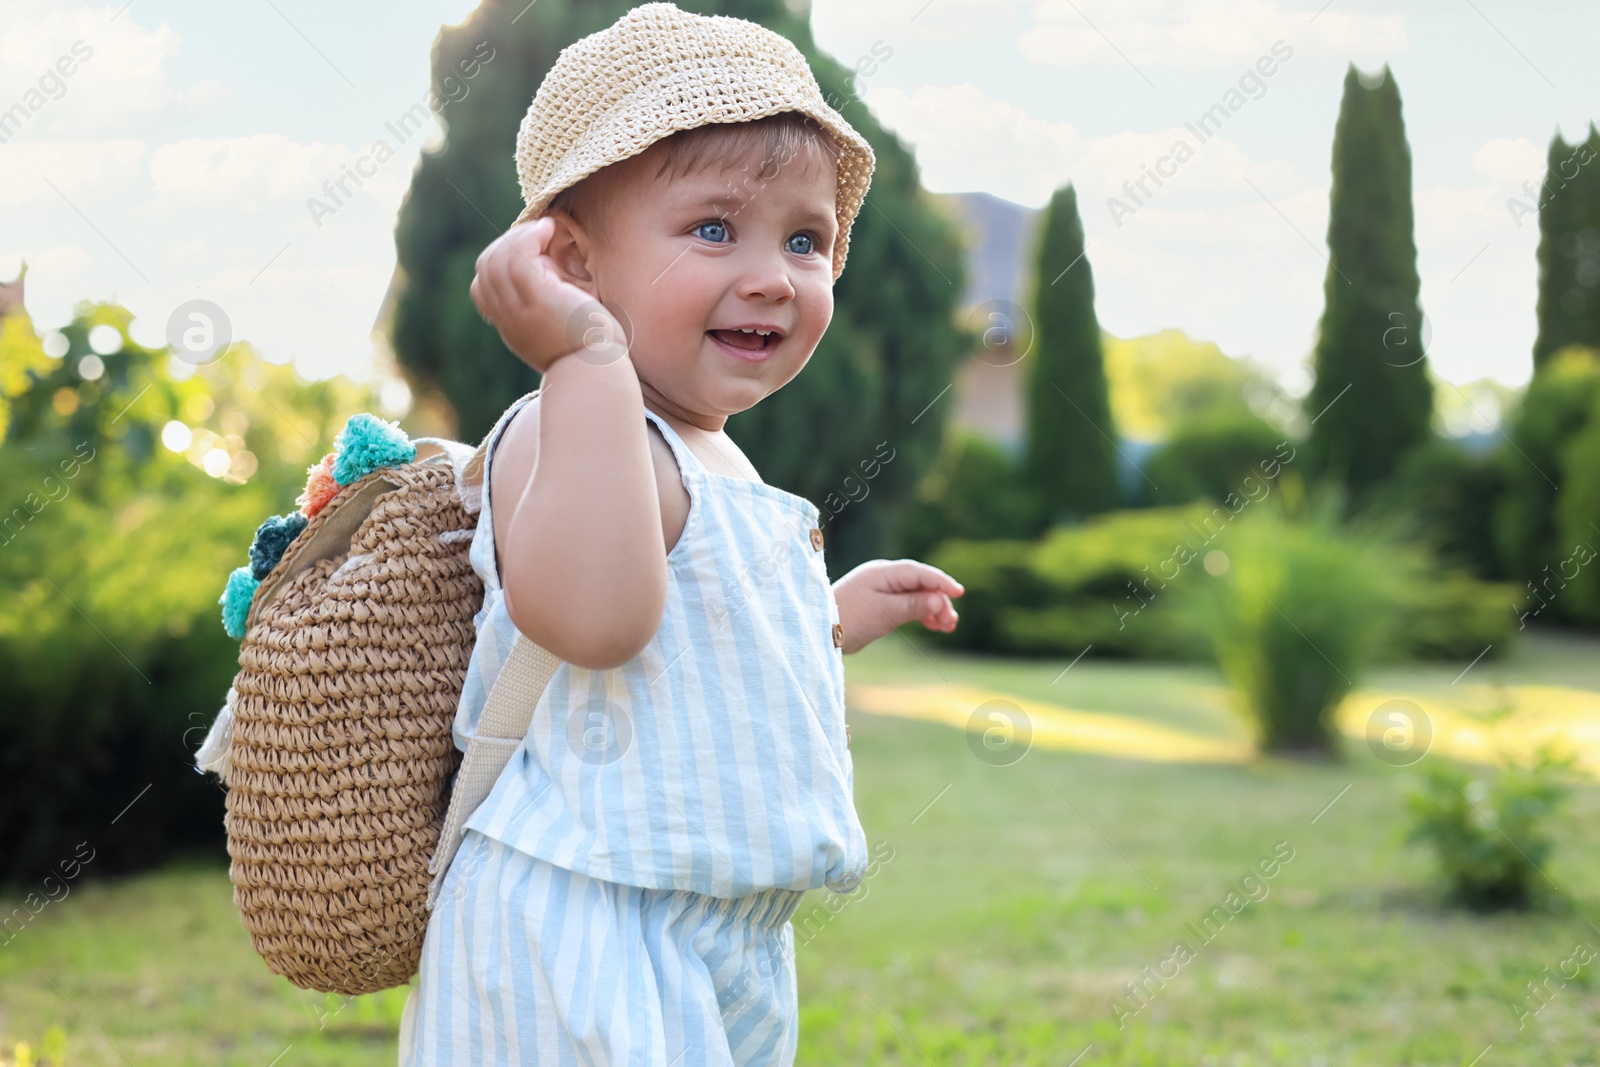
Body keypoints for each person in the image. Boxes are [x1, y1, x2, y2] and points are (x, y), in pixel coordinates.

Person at [399, 5, 963, 1064]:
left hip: (721, 921)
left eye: (806, 240)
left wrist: (825, 614)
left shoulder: (713, 453)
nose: (771, 274)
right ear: (569, 262)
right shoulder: (566, 421)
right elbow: (597, 619)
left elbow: (693, 646)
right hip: (577, 916)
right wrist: (583, 359)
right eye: (715, 228)